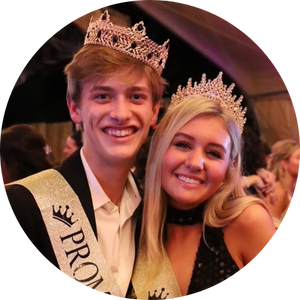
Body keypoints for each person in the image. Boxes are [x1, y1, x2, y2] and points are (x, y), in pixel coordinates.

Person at [3, 10, 169, 299]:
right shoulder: (23, 204)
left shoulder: (155, 211)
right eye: (103, 96)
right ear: (75, 108)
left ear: (154, 111)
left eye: (136, 97)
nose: (120, 114)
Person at [131, 73, 277, 299]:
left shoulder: (247, 221)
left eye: (213, 153)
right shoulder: (132, 221)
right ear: (159, 148)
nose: (194, 163)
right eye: (183, 144)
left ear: (230, 166)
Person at [265, 139, 299, 229]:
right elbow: (271, 227)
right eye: (299, 158)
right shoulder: (277, 191)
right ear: (284, 163)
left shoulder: (291, 191)